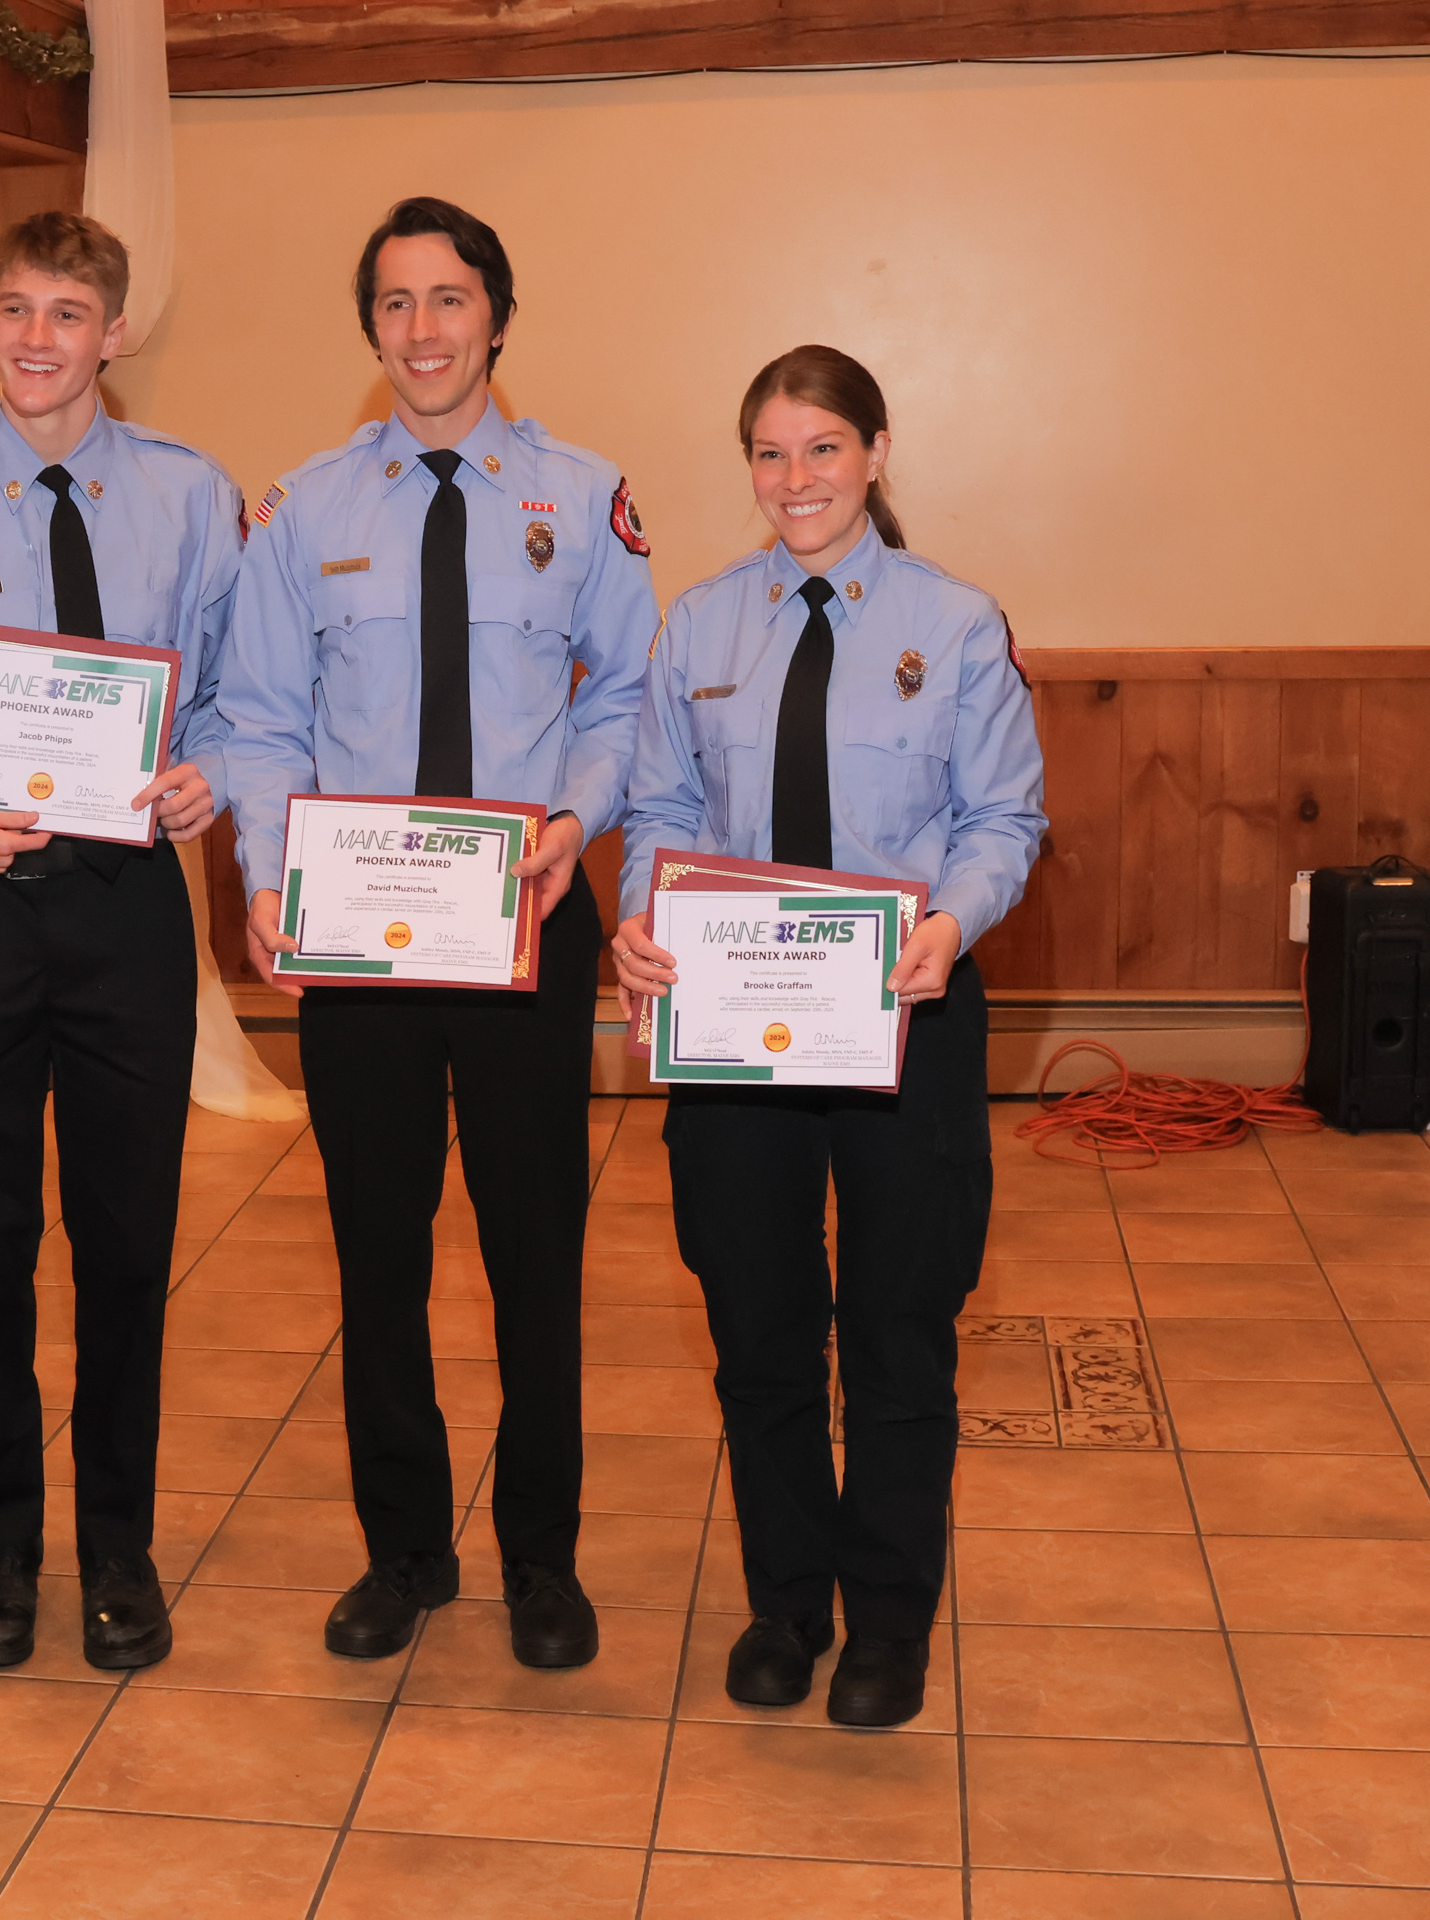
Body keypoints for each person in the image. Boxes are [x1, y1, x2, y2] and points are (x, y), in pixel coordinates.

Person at [220, 197, 655, 1670]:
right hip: (363, 941)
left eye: (450, 298)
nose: (423, 329)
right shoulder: (303, 510)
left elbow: (624, 695)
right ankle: (404, 1550)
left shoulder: (583, 498)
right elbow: (261, 717)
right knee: (378, 1255)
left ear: (499, 318)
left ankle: (543, 1555)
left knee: (536, 1254)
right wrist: (265, 876)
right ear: (371, 326)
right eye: (396, 302)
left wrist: (577, 819)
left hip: (529, 918)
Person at [611, 345, 1044, 1727]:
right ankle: (788, 1605)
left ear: (874, 453)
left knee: (899, 1334)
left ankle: (888, 1625)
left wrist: (953, 924)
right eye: (769, 452)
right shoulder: (700, 626)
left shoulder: (955, 624)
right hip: (736, 1034)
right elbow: (663, 810)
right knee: (761, 1331)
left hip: (907, 1014)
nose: (794, 479)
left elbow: (1003, 820)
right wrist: (639, 921)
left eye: (821, 449)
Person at [0, 213, 238, 1671]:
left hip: (126, 906)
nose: (37, 339)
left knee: (127, 1245)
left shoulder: (191, 496)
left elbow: (236, 695)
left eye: (67, 314)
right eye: (14, 308)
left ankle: (119, 1548)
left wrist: (212, 777)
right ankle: (2, 1548)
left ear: (114, 332)